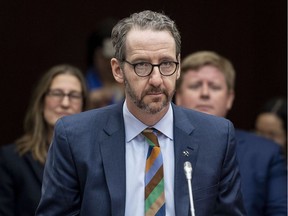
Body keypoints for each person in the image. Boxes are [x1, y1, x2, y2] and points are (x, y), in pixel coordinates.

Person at [36, 10, 246, 215]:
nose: (156, 79)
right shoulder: (74, 137)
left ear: (179, 66)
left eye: (166, 64)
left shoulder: (216, 136)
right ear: (118, 70)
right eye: (142, 65)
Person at [175, 50, 287, 215]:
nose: (205, 93)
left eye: (214, 87)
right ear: (178, 96)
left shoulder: (265, 154)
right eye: (195, 86)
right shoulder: (158, 144)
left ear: (229, 99)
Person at [0, 64, 87, 216]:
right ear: (41, 101)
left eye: (74, 95)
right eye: (57, 93)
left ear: (83, 106)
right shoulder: (10, 160)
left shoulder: (94, 159)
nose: (65, 103)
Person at [85, 17, 124, 109]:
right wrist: (86, 103)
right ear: (94, 56)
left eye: (115, 56)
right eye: (104, 57)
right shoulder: (83, 84)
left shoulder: (133, 81)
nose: (110, 63)